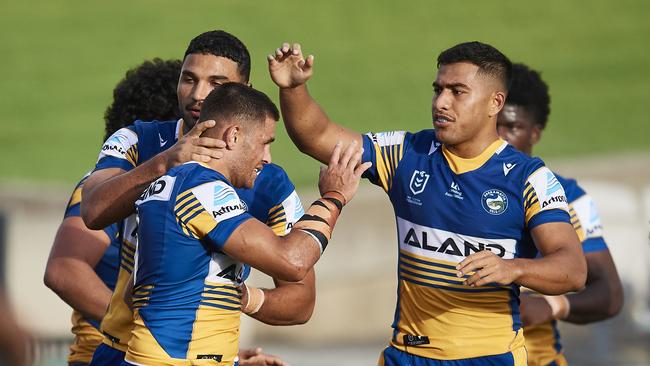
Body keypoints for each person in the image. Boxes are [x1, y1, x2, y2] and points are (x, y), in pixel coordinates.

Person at [268, 41, 588, 365]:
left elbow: (573, 270)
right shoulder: (407, 153)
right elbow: (319, 137)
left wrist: (512, 268)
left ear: (495, 103)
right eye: (438, 90)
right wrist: (295, 89)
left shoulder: (528, 178)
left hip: (488, 357)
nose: (441, 102)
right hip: (407, 355)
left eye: (457, 92)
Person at [83, 31, 312, 366]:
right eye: (189, 79)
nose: (198, 94)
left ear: (242, 93)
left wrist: (244, 297)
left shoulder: (267, 181)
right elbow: (92, 209)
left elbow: (302, 300)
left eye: (216, 83)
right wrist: (166, 161)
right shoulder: (136, 140)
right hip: (121, 352)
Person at [122, 83, 368, 366]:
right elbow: (293, 260)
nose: (267, 158)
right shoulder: (201, 189)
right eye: (265, 143)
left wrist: (229, 358)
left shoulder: (176, 183)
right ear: (234, 135)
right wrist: (334, 197)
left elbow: (136, 295)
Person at [44, 58, 182, 366]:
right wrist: (138, 330)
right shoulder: (109, 190)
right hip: (106, 355)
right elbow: (64, 270)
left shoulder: (176, 189)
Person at [496, 63, 623, 366]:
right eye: (494, 123)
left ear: (535, 133)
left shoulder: (565, 197)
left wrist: (553, 305)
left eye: (512, 127)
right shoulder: (449, 182)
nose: (499, 137)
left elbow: (610, 293)